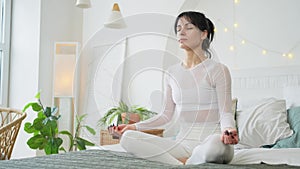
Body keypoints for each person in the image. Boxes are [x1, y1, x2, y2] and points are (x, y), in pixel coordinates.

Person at [109, 11, 239, 165]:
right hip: (182, 144)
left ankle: (186, 160)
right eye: (178, 29)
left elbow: (225, 113)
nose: (181, 32)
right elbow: (165, 115)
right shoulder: (172, 72)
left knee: (216, 146)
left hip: (212, 140)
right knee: (128, 138)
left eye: (188, 28)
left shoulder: (218, 70)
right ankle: (182, 164)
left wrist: (229, 130)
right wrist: (133, 126)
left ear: (204, 34)